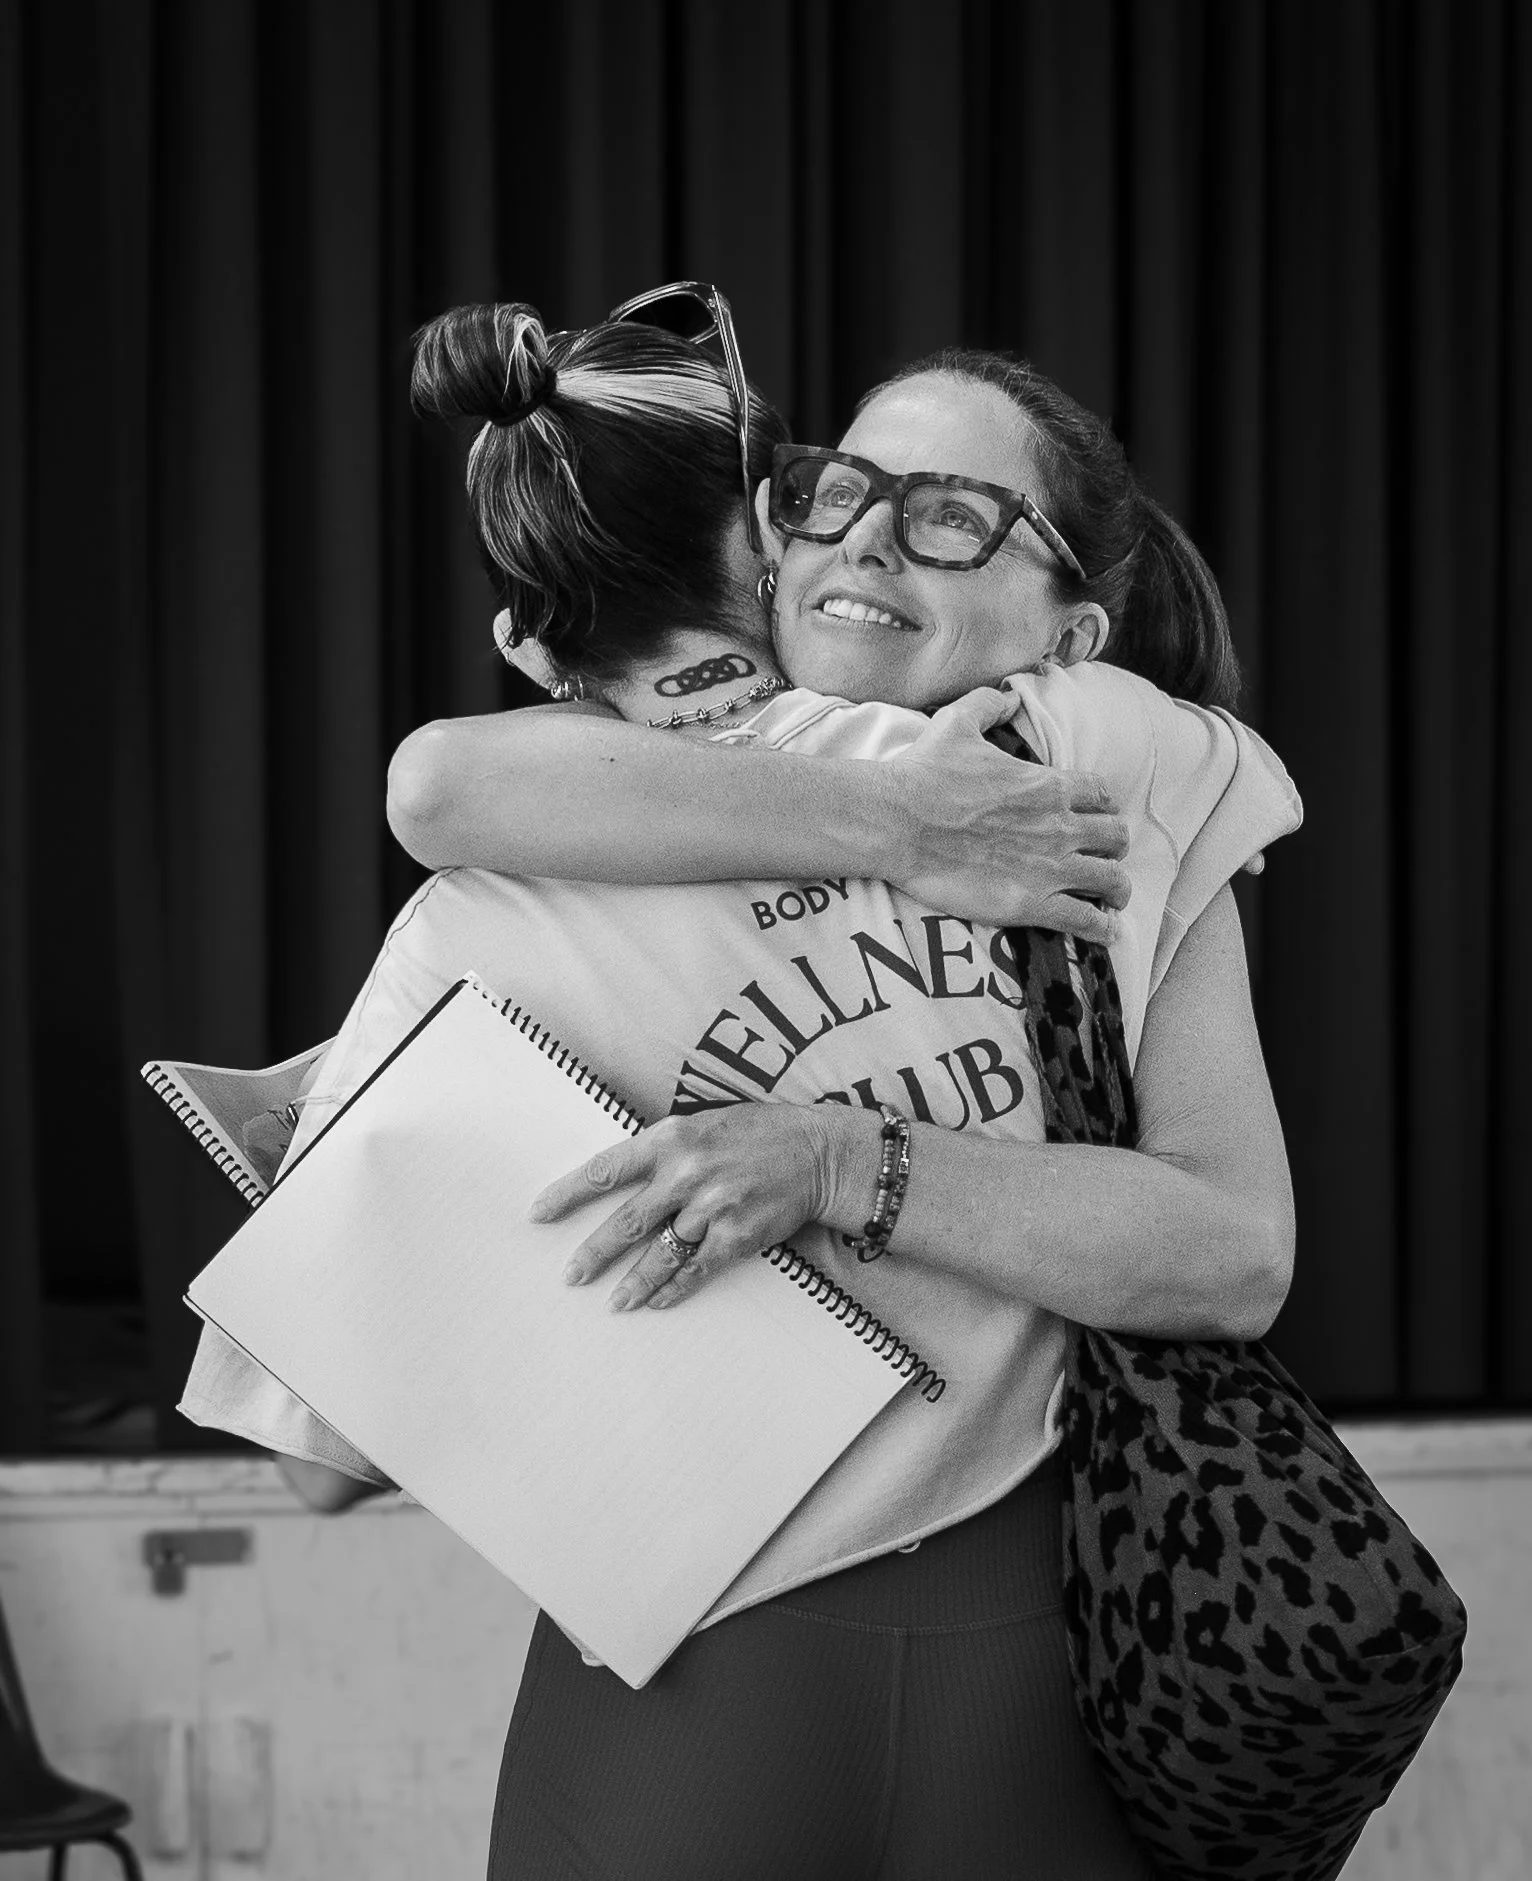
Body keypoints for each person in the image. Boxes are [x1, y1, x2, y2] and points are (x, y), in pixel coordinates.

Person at [182, 294, 1299, 1879]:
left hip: (941, 1677)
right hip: (730, 1696)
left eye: (952, 518)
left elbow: (1234, 1258)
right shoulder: (529, 858)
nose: (870, 542)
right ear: (760, 556)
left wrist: (842, 1160)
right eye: (834, 492)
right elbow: (440, 785)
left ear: (1074, 633)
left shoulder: (1115, 821)